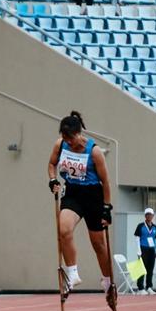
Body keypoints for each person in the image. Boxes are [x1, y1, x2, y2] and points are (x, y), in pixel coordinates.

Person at [48, 110, 113, 292]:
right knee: (64, 229)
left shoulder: (94, 151)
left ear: (79, 134)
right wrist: (53, 179)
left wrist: (107, 208)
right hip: (73, 193)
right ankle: (73, 273)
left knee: (98, 244)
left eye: (71, 138)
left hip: (93, 196)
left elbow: (105, 182)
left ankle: (107, 281)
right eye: (65, 138)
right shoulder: (60, 145)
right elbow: (52, 164)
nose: (69, 142)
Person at [134, 208, 156, 296]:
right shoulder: (140, 226)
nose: (149, 216)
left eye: (150, 214)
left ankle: (149, 287)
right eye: (147, 214)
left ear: (153, 216)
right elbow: (137, 238)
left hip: (151, 250)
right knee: (141, 269)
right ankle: (140, 288)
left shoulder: (155, 227)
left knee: (150, 269)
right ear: (145, 216)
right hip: (143, 249)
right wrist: (138, 251)